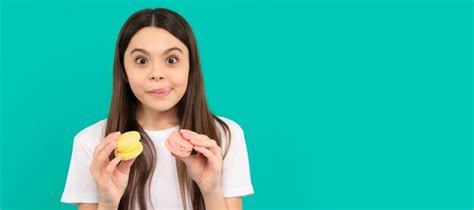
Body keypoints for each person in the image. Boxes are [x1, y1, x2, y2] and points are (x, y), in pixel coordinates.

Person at [60, 7, 254, 210]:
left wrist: (211, 190)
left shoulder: (225, 136)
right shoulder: (92, 143)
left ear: (191, 66)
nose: (157, 74)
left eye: (171, 60)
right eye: (141, 61)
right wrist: (108, 201)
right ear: (124, 71)